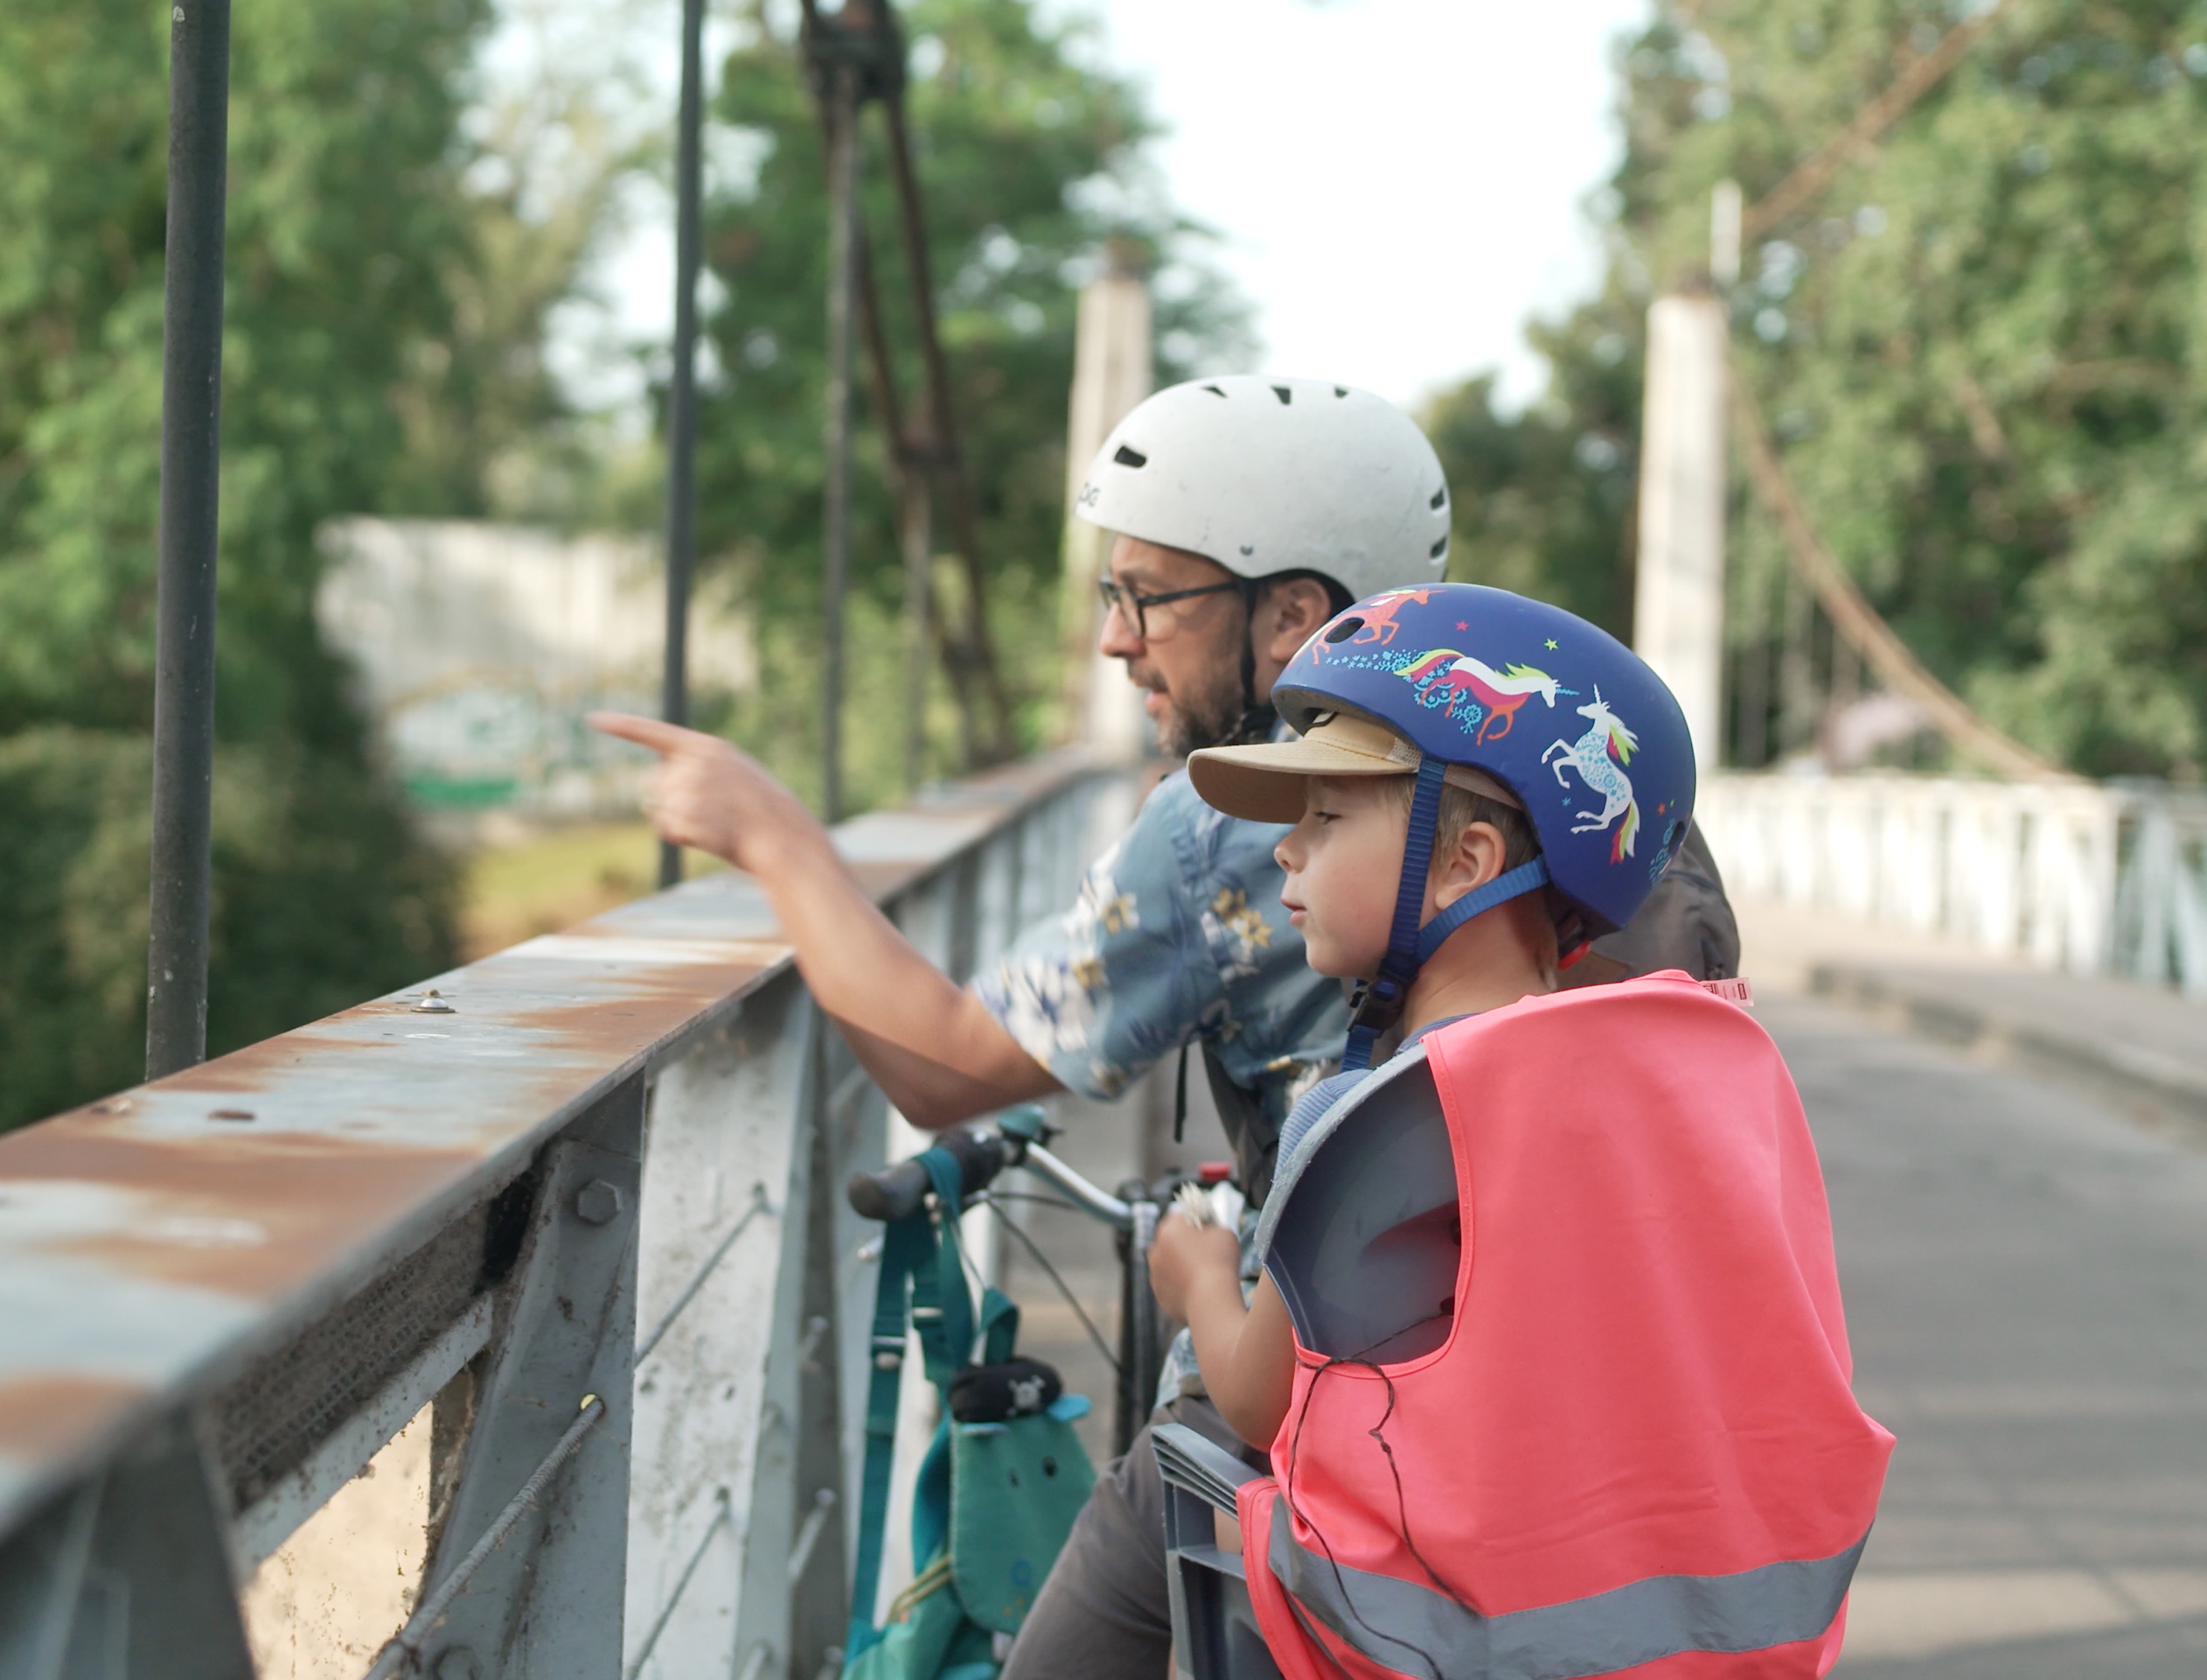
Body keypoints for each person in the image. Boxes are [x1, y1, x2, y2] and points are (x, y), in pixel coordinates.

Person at [590, 376, 1742, 1678]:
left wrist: (770, 836)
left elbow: (941, 1062)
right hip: (1587, 1425)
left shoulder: (1227, 828)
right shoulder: (1618, 824)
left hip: (1330, 1430)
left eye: (1149, 595)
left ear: (1291, 617)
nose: (1116, 641)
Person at [1149, 581, 1891, 1678]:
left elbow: (1259, 1398)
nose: (1285, 856)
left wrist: (1201, 1277)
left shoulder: (1377, 1111)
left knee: (1165, 1481)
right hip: (1717, 1639)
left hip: (1445, 1640)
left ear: (1467, 862)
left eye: (1326, 817)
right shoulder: (1688, 1073)